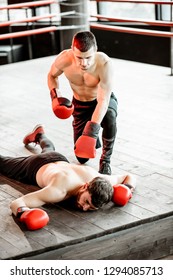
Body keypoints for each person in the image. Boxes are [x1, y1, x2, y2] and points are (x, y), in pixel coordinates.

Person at [0, 125, 136, 230]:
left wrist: (127, 188)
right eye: (87, 202)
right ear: (85, 186)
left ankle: (40, 134)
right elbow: (16, 203)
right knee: (3, 163)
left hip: (58, 158)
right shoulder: (58, 191)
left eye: (91, 208)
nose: (84, 208)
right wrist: (23, 213)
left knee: (49, 148)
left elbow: (129, 176)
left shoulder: (98, 178)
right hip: (33, 166)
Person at [47, 31, 118, 175]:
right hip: (80, 105)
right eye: (79, 58)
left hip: (101, 101)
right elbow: (51, 75)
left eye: (88, 57)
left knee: (110, 115)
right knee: (81, 158)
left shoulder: (104, 64)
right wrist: (55, 95)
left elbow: (103, 101)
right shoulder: (64, 59)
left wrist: (91, 131)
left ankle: (105, 160)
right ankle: (91, 135)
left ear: (95, 50)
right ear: (72, 50)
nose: (84, 63)